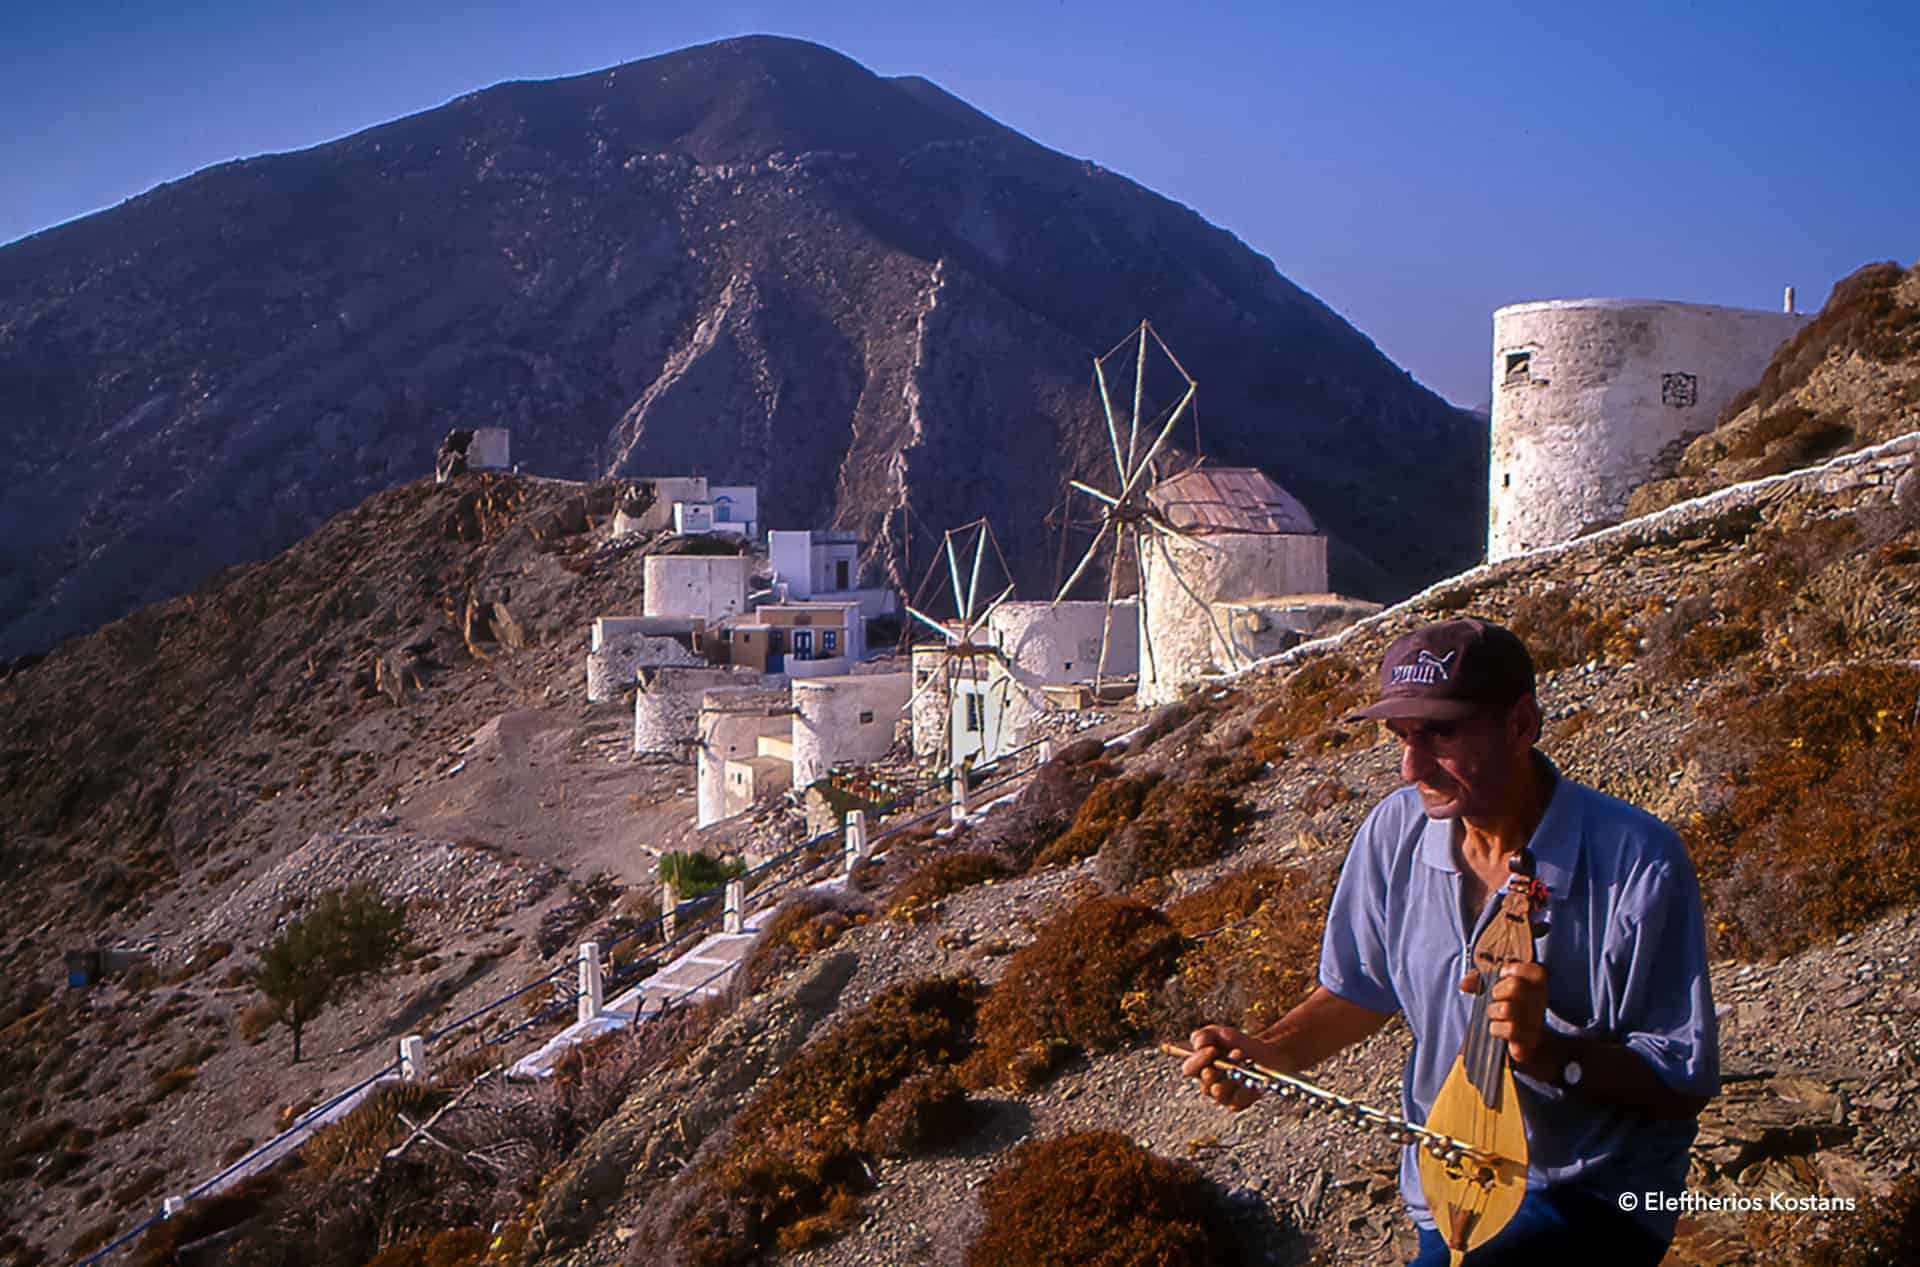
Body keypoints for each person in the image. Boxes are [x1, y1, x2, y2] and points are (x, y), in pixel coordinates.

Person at [1182, 618, 1718, 1265]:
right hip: (1447, 1185)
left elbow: (1680, 1081)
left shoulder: (1640, 861)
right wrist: (1272, 1052)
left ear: (1522, 724)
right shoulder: (1395, 831)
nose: (1412, 766)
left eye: (1441, 731)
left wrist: (1547, 1052)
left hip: (1593, 1197)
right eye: (1402, 736)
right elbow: (1359, 988)